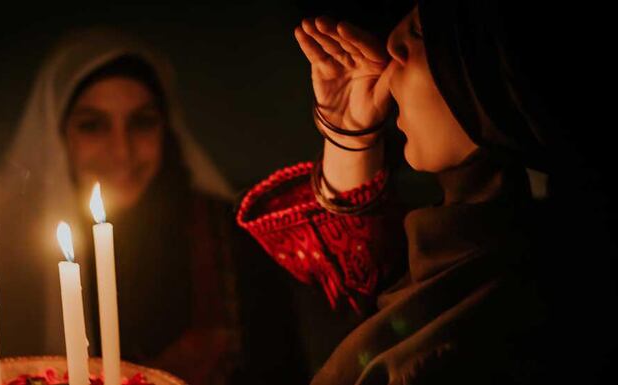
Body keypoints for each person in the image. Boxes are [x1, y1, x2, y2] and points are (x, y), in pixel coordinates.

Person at [237, 1, 615, 383]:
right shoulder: (466, 232)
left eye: (420, 33)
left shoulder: (511, 324)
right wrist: (350, 133)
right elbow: (364, 285)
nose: (391, 50)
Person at [0, 27, 307, 385]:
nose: (122, 152)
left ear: (166, 129)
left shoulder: (234, 236)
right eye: (93, 126)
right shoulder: (13, 252)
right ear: (58, 137)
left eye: (142, 122)